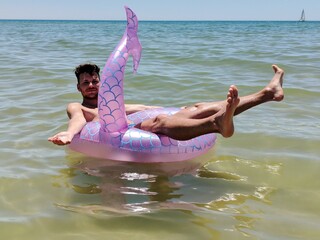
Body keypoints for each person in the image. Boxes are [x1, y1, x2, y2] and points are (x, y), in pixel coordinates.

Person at [48, 63, 284, 145]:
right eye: (85, 82)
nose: (91, 85)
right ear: (78, 88)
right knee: (160, 122)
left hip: (132, 126)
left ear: (103, 83)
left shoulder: (114, 104)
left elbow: (145, 108)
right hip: (119, 135)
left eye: (95, 81)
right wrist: (69, 135)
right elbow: (78, 120)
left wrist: (180, 110)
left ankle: (267, 93)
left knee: (194, 108)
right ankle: (216, 123)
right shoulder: (78, 106)